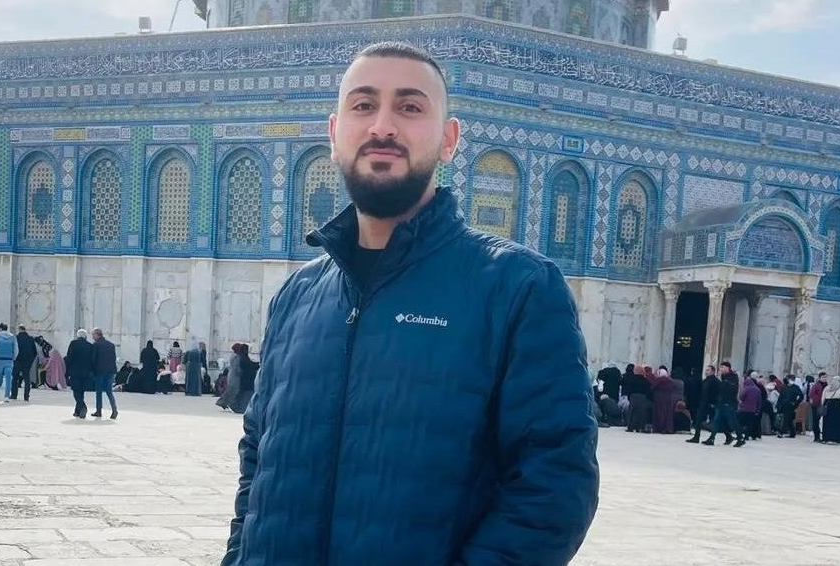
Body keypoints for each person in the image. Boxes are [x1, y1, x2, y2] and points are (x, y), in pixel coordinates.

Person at [221, 42, 598, 566]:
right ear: (334, 133)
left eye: (410, 106)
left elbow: (554, 485)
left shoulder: (516, 289)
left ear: (449, 140)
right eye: (363, 105)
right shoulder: (299, 295)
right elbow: (258, 458)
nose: (383, 126)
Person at [702, 362, 741, 446]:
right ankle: (711, 438)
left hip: (729, 403)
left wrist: (724, 383)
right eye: (720, 368)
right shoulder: (723, 376)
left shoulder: (733, 377)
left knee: (733, 422)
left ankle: (740, 438)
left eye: (722, 367)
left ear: (728, 368)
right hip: (721, 403)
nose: (721, 369)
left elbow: (732, 389)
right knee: (717, 421)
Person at [65, 329, 94, 418]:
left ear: (78, 336)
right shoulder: (90, 346)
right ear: (85, 336)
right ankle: (77, 411)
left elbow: (69, 357)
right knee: (81, 391)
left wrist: (66, 371)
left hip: (75, 372)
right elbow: (92, 360)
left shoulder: (73, 344)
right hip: (86, 373)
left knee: (76, 391)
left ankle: (83, 407)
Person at [686, 365, 719, 444]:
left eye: (708, 370)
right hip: (703, 403)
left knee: (715, 421)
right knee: (698, 420)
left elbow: (717, 394)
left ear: (713, 371)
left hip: (711, 404)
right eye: (706, 370)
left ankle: (718, 437)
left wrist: (713, 403)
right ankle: (696, 437)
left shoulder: (716, 382)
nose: (706, 372)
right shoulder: (705, 381)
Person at [90, 328, 118, 419]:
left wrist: (92, 370)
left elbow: (93, 359)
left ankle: (99, 411)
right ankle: (114, 410)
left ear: (97, 335)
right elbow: (114, 358)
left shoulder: (96, 345)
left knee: (99, 392)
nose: (92, 337)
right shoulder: (111, 345)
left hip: (100, 371)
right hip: (110, 371)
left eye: (93, 335)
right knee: (109, 391)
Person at [0, 323, 18, 403]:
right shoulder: (12, 337)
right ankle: (6, 396)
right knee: (8, 379)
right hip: (9, 360)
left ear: (1, 328)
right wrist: (13, 358)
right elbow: (16, 350)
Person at [11, 325, 37, 402]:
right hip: (27, 362)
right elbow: (34, 352)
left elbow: (13, 350)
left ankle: (14, 395)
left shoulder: (16, 338)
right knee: (27, 379)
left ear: (19, 329)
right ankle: (26, 396)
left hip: (17, 361)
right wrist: (30, 362)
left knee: (15, 378)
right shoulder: (31, 339)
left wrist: (13, 359)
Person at [230, 344, 259, 415]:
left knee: (242, 394)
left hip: (245, 379)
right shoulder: (243, 357)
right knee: (246, 395)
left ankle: (236, 406)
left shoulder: (243, 356)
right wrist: (257, 365)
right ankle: (239, 407)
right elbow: (249, 366)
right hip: (247, 379)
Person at [821, 376, 840, 444]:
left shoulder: (826, 388)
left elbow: (822, 399)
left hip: (827, 407)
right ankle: (835, 439)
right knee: (836, 424)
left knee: (826, 423)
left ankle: (826, 438)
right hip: (837, 409)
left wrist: (823, 405)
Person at [625, 364, 652, 433]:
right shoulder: (645, 380)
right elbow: (648, 390)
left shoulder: (632, 379)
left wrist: (629, 396)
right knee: (641, 413)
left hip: (633, 397)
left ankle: (630, 427)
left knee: (632, 412)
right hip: (642, 397)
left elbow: (628, 389)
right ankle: (640, 427)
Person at [216, 343, 243, 411]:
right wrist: (241, 372)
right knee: (233, 390)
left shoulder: (232, 355)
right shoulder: (236, 357)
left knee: (230, 390)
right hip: (235, 376)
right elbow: (237, 367)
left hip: (231, 374)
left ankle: (223, 402)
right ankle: (227, 403)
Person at [736, 377, 761, 446]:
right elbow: (759, 401)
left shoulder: (746, 389)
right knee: (749, 424)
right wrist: (757, 409)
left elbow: (741, 397)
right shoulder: (758, 390)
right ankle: (747, 436)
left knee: (740, 423)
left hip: (743, 409)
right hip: (752, 410)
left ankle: (740, 435)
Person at [651, 367, 675, 434]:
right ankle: (668, 428)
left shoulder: (658, 380)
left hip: (658, 398)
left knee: (659, 413)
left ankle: (659, 428)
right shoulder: (671, 381)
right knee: (668, 414)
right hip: (668, 398)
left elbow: (652, 387)